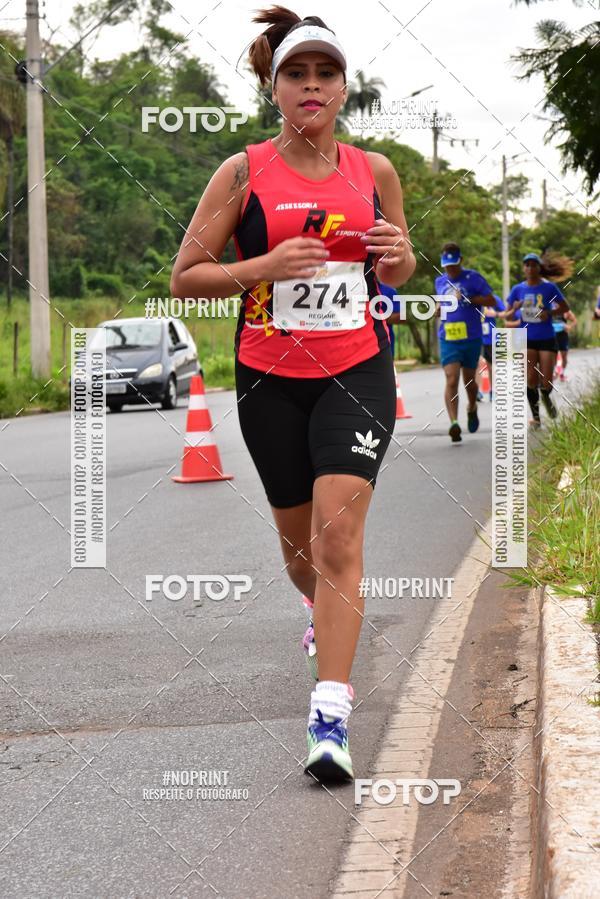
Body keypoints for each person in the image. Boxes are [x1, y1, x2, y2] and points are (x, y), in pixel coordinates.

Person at [170, 5, 416, 782]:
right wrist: (262, 267)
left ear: (345, 88)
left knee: (341, 540)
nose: (312, 87)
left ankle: (331, 717)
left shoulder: (373, 170)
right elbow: (187, 279)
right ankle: (320, 611)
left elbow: (397, 273)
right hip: (271, 377)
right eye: (296, 74)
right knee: (303, 554)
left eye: (326, 74)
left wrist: (398, 253)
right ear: (273, 87)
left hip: (358, 369)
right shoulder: (242, 172)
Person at [434, 243, 496, 443]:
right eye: (446, 265)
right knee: (451, 379)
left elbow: (491, 301)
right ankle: (454, 423)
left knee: (470, 383)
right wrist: (437, 308)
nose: (450, 269)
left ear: (460, 260)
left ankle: (472, 407)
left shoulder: (474, 278)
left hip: (471, 337)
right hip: (448, 337)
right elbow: (440, 303)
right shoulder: (440, 281)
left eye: (453, 264)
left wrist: (469, 298)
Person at [504, 252, 570, 426]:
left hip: (546, 338)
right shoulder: (517, 289)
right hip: (526, 337)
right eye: (527, 265)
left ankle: (546, 396)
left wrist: (549, 312)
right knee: (531, 378)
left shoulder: (549, 288)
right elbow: (507, 316)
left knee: (546, 381)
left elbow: (564, 307)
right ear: (523, 268)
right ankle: (536, 417)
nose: (530, 268)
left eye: (534, 265)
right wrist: (515, 308)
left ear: (539, 268)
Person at [478, 293, 505, 400]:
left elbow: (505, 313)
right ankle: (477, 392)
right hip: (474, 334)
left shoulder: (494, 298)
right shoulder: (472, 297)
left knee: (491, 365)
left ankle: (493, 391)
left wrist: (495, 314)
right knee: (475, 364)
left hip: (490, 336)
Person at [552, 305, 577, 380]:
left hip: (563, 335)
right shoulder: (549, 308)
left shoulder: (565, 310)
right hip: (552, 335)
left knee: (564, 356)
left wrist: (569, 327)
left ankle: (561, 373)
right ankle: (555, 372)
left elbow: (575, 321)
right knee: (553, 355)